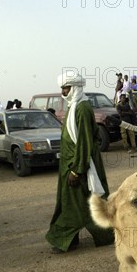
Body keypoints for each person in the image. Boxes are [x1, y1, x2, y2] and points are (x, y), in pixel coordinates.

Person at [45, 72, 114, 252]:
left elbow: (84, 141)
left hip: (79, 165)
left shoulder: (82, 108)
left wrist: (77, 170)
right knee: (82, 203)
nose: (63, 92)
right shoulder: (74, 106)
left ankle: (65, 239)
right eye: (62, 88)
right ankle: (102, 235)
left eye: (66, 88)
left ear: (75, 88)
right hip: (70, 164)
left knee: (74, 205)